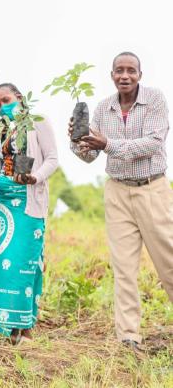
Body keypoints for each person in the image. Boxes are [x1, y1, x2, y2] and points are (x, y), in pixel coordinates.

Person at [69, 52, 173, 349]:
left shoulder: (154, 100)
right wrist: (77, 141)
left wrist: (108, 144)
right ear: (111, 74)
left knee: (168, 262)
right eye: (119, 70)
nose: (124, 75)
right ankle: (129, 336)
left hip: (152, 188)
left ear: (140, 74)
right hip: (117, 192)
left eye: (131, 70)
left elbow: (154, 143)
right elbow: (90, 156)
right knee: (124, 267)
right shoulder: (103, 108)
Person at [0, 83, 58, 344]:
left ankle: (25, 328)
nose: (3, 107)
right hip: (3, 203)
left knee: (25, 263)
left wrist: (34, 177)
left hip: (27, 202)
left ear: (20, 98)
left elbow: (53, 159)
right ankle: (9, 327)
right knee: (4, 266)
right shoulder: (4, 130)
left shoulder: (38, 121)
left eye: (6, 100)